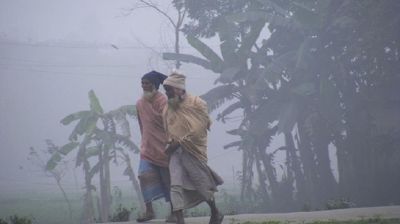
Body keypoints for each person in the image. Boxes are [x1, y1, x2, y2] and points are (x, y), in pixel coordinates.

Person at [162, 71, 224, 224]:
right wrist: (170, 144)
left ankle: (215, 212)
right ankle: (179, 220)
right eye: (166, 89)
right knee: (175, 184)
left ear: (178, 88)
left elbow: (199, 128)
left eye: (169, 89)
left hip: (193, 150)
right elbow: (168, 128)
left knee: (201, 183)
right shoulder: (168, 107)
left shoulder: (197, 103)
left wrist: (181, 141)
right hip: (175, 151)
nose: (167, 93)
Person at [135, 70, 175, 223]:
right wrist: (145, 141)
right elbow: (142, 125)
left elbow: (170, 123)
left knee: (168, 182)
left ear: (154, 85)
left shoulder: (163, 101)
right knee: (144, 176)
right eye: (142, 83)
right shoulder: (139, 103)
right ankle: (149, 211)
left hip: (163, 149)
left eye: (147, 83)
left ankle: (175, 213)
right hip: (147, 149)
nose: (144, 86)